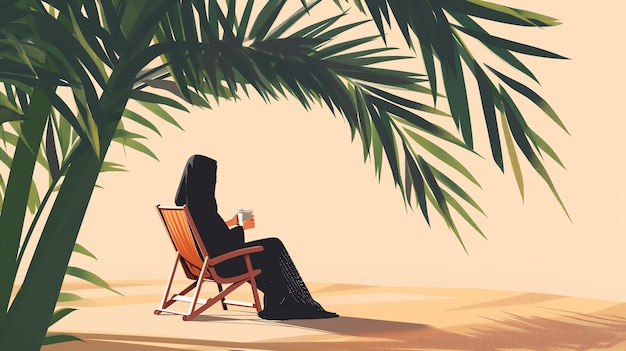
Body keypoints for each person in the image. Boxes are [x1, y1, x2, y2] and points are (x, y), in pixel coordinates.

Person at [174, 154, 338, 320]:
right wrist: (241, 227)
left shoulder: (190, 207)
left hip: (200, 265)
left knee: (267, 252)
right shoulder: (204, 208)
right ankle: (294, 302)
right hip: (221, 266)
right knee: (274, 246)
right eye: (211, 179)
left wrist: (231, 222)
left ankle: (281, 301)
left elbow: (210, 236)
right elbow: (222, 245)